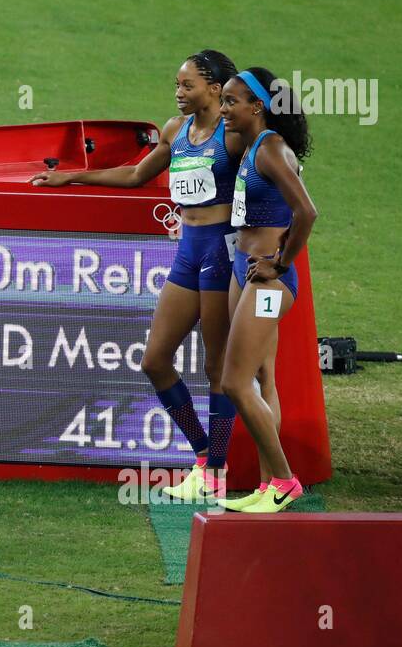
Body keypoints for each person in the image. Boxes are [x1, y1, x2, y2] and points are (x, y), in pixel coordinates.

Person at [31, 50, 262, 500]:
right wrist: (72, 178)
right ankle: (204, 456)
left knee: (216, 367)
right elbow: (137, 174)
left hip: (221, 251)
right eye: (176, 84)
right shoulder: (176, 130)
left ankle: (214, 471)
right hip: (187, 251)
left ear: (215, 89)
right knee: (154, 361)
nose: (179, 92)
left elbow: (271, 171)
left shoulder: (233, 135)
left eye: (188, 85)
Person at [215, 68, 317, 513]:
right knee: (260, 378)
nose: (224, 109)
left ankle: (284, 480)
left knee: (234, 382)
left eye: (231, 101)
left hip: (268, 280)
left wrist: (281, 263)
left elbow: (307, 212)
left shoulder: (272, 148)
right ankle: (265, 484)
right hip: (245, 269)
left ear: (257, 106)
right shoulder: (251, 144)